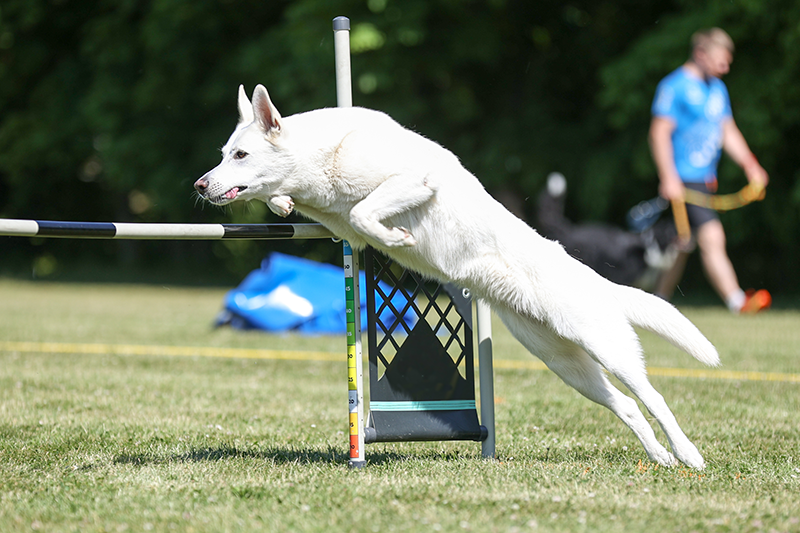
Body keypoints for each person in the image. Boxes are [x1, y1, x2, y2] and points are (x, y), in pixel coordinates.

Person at [649, 27, 771, 313]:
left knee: (681, 245)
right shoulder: (674, 86)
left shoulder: (717, 88)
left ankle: (655, 304)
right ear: (701, 54)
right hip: (683, 180)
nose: (725, 68)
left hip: (705, 180)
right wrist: (668, 177)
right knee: (712, 236)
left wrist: (751, 165)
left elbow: (727, 130)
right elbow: (659, 132)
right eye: (720, 62)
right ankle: (737, 302)